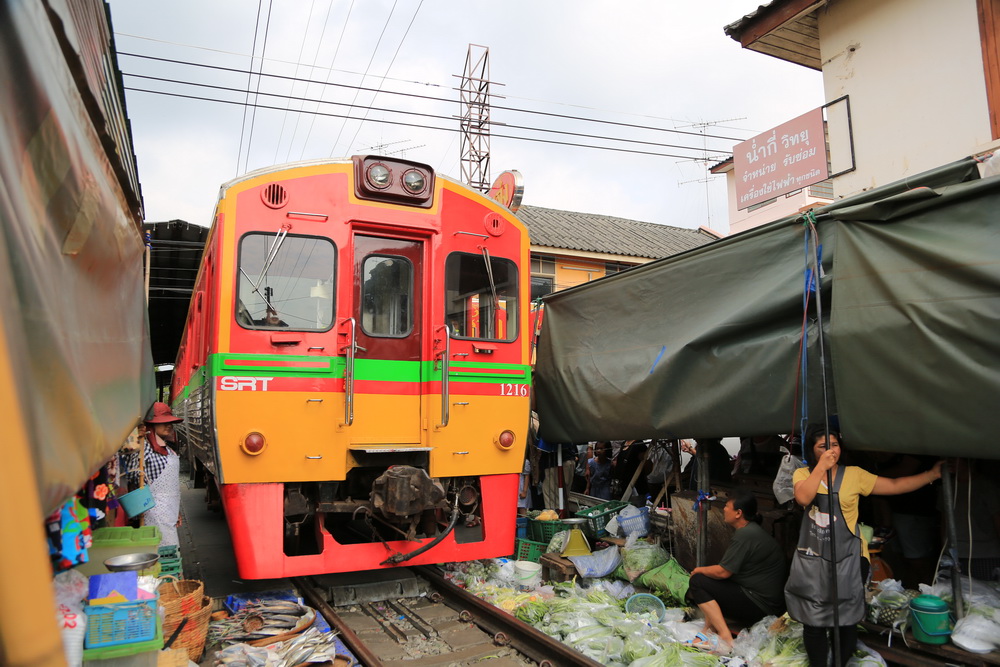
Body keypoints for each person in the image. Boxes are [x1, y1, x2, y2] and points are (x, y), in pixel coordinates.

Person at [786, 424, 944, 667]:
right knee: (814, 618)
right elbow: (803, 498)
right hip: (815, 557)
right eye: (823, 447)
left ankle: (840, 662)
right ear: (812, 451)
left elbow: (894, 486)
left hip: (851, 557)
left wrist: (931, 475)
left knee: (846, 618)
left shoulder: (855, 474)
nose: (831, 451)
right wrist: (820, 468)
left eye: (835, 445)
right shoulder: (803, 474)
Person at [686, 488, 787, 651]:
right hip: (761, 600)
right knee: (709, 583)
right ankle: (709, 628)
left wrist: (699, 570)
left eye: (727, 506)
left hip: (760, 605)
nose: (724, 509)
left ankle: (724, 635)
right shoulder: (749, 531)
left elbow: (723, 572)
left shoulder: (746, 534)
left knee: (698, 581)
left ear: (738, 513)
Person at [126, 402, 185, 547]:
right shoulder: (144, 447)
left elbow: (173, 487)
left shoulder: (168, 449)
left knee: (170, 550)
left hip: (170, 510)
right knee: (162, 550)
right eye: (163, 423)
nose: (169, 425)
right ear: (151, 425)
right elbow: (130, 469)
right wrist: (134, 436)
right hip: (153, 512)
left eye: (170, 422)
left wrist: (176, 510)